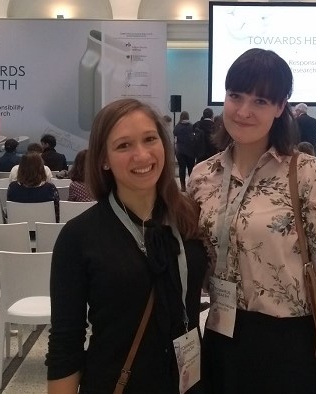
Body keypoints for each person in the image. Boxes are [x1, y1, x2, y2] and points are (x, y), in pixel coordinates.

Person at [188, 48, 316, 393]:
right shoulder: (203, 176)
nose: (244, 111)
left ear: (281, 108)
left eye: (261, 101)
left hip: (288, 345)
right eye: (235, 96)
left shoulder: (313, 177)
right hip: (221, 335)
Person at [46, 98, 208, 393]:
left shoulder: (188, 219)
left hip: (188, 381)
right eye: (124, 146)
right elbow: (65, 343)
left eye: (150, 139)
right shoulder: (79, 237)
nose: (142, 155)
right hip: (118, 383)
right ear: (103, 159)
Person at [7, 152, 60, 222]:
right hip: (46, 230)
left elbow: (10, 213)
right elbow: (57, 214)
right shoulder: (50, 188)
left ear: (21, 168)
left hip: (19, 231)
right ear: (41, 168)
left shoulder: (12, 188)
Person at [173, 111, 196, 191]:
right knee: (191, 169)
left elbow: (175, 135)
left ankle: (183, 187)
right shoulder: (192, 126)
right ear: (188, 117)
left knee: (182, 169)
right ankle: (191, 186)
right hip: (191, 151)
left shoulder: (177, 127)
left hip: (180, 151)